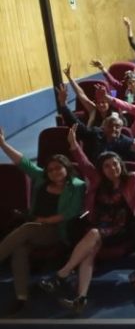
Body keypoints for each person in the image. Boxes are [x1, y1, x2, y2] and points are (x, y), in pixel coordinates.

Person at [39, 126, 135, 314]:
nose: (112, 169)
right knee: (89, 252)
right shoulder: (97, 180)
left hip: (123, 229)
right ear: (102, 169)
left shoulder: (132, 179)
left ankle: (62, 274)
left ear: (121, 165)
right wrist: (73, 144)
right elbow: (83, 163)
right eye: (107, 166)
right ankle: (81, 298)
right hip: (99, 227)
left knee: (92, 234)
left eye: (115, 164)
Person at [0, 127, 85, 316]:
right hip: (34, 227)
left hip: (56, 231)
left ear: (66, 168)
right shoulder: (41, 179)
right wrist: (3, 144)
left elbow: (70, 213)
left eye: (58, 168)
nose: (54, 172)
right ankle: (22, 298)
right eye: (51, 169)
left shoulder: (76, 186)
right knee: (20, 249)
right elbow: (22, 162)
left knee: (28, 228)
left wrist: (44, 220)